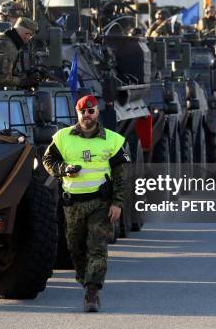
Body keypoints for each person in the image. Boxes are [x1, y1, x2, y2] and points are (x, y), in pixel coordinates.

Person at [42, 95, 129, 313]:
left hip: (100, 203)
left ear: (97, 112)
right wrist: (63, 169)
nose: (87, 116)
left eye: (91, 111)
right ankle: (87, 280)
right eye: (83, 112)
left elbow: (121, 174)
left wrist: (117, 203)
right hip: (73, 204)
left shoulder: (112, 140)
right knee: (75, 247)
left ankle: (92, 292)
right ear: (77, 113)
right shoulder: (62, 137)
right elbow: (47, 160)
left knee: (97, 247)